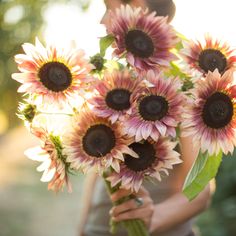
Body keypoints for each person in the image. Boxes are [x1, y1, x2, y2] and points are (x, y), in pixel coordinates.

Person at [78, 1, 212, 235]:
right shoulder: (113, 80)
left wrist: (153, 218)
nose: (103, 21)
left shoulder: (184, 88)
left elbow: (201, 191)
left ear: (138, 8)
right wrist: (83, 224)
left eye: (109, 9)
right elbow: (100, 167)